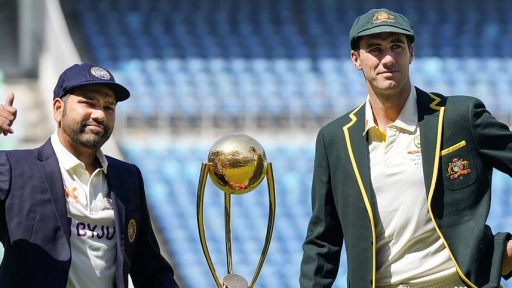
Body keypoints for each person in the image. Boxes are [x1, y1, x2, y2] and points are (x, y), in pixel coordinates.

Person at [300, 8, 512, 288]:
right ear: (356, 60)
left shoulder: (459, 116)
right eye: (375, 49)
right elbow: (322, 241)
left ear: (410, 53)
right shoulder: (335, 139)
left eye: (396, 46)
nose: (388, 58)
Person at [0, 63, 180, 287]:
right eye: (88, 102)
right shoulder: (14, 168)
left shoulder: (128, 177)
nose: (100, 114)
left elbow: (150, 270)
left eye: (109, 107)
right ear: (58, 109)